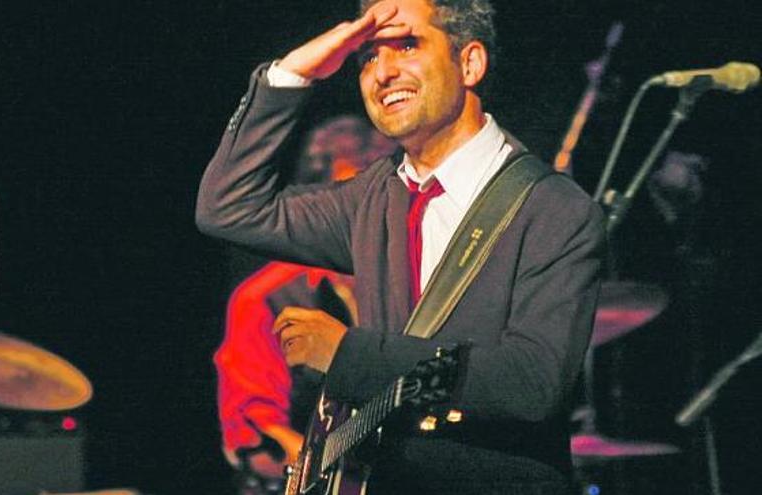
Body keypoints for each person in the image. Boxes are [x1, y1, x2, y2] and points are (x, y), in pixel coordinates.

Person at [196, 0, 606, 492]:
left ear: (470, 63)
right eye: (368, 56)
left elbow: (532, 384)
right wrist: (290, 75)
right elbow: (227, 207)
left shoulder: (554, 208)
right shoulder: (372, 198)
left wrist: (348, 353)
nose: (383, 72)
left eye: (407, 45)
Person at [214, 115, 395, 495]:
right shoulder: (264, 299)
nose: (362, 217)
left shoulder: (408, 279)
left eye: (375, 201)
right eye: (347, 198)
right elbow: (257, 440)